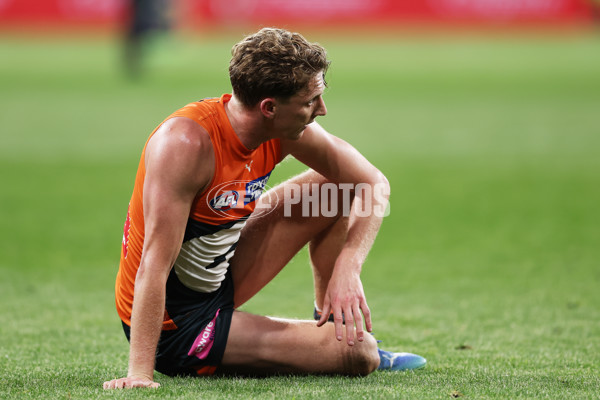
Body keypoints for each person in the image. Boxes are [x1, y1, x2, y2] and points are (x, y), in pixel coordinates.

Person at [103, 27, 425, 389]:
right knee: (360, 354)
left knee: (337, 188)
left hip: (220, 272)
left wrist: (349, 265)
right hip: (177, 323)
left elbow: (373, 183)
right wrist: (139, 375)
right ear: (269, 108)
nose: (322, 109)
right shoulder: (186, 145)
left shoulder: (282, 130)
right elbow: (154, 262)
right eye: (310, 101)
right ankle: (343, 345)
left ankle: (331, 322)